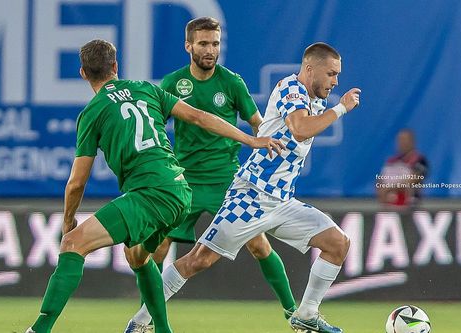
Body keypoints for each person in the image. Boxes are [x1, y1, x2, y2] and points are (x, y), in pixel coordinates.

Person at [25, 39, 283, 333]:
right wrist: (250, 139)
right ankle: (161, 329)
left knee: (73, 244)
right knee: (137, 255)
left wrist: (68, 221)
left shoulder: (93, 112)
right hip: (180, 190)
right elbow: (199, 116)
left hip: (150, 194)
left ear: (83, 73)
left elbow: (76, 183)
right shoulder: (145, 89)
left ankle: (38, 330)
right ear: (115, 66)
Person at [128, 42, 361, 333]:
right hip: (251, 195)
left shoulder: (315, 99)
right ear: (310, 69)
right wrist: (342, 108)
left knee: (338, 243)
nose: (335, 81)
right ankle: (139, 322)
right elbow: (300, 129)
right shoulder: (292, 89)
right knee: (199, 260)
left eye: (337, 75)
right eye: (331, 74)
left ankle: (307, 314)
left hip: (282, 201)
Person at [124, 17, 296, 333]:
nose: (210, 50)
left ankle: (294, 315)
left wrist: (275, 144)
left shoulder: (232, 83)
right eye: (203, 43)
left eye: (215, 43)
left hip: (227, 183)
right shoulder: (173, 83)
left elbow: (257, 122)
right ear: (188, 46)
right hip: (183, 183)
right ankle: (146, 319)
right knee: (158, 247)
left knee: (258, 245)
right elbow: (153, 126)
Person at [376, 129, 428, 208]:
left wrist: (388, 188)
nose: (402, 143)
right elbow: (380, 181)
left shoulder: (420, 161)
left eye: (405, 140)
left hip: (409, 208)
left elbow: (413, 180)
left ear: (412, 141)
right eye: (400, 140)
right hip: (389, 206)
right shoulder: (391, 162)